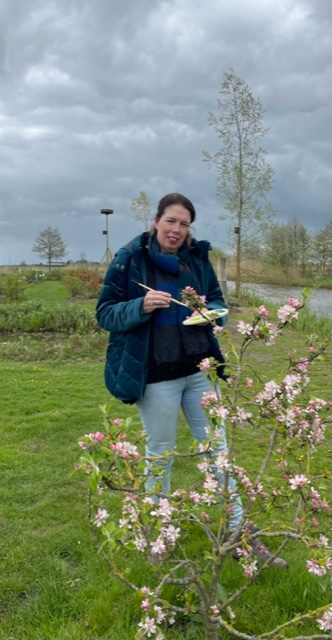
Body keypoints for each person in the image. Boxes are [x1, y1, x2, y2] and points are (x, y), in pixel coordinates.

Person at [96, 192, 287, 568]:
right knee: (160, 456)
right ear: (157, 221)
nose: (177, 230)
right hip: (156, 377)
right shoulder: (130, 260)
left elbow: (218, 303)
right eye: (171, 221)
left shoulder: (196, 259)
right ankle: (158, 537)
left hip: (200, 373)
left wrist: (214, 315)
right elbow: (105, 313)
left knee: (219, 454)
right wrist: (140, 306)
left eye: (184, 224)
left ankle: (240, 538)